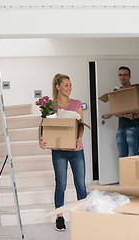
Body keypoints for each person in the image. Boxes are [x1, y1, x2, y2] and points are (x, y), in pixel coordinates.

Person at [39, 73, 87, 231]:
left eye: (70, 85)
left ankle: (83, 216)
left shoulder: (77, 103)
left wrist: (78, 139)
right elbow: (43, 126)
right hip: (59, 151)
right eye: (66, 85)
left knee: (80, 185)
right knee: (61, 185)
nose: (69, 88)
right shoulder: (51, 106)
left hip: (76, 150)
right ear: (57, 86)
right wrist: (41, 139)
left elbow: (81, 125)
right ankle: (60, 217)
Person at [102, 66, 139, 157]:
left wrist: (132, 116)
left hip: (133, 128)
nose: (122, 77)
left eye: (125, 75)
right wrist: (112, 114)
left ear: (130, 76)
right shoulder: (117, 92)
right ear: (118, 77)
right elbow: (118, 112)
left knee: (133, 156)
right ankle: (124, 172)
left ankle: (134, 172)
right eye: (120, 75)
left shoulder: (135, 90)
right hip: (121, 128)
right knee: (122, 157)